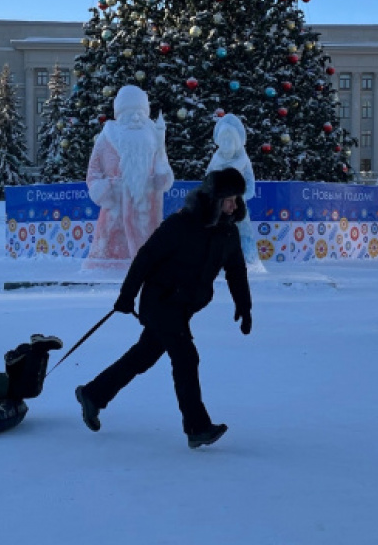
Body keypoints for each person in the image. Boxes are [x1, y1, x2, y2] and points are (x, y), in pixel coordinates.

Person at [75, 168, 253, 449]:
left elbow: (236, 270)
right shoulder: (181, 225)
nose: (234, 206)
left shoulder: (227, 232)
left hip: (184, 306)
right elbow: (146, 257)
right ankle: (197, 427)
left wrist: (244, 305)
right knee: (186, 357)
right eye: (228, 199)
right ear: (212, 199)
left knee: (142, 357)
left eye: (236, 200)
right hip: (161, 301)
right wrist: (126, 296)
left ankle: (93, 394)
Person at [84, 85, 175, 268]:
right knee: (112, 259)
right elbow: (93, 173)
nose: (135, 117)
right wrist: (105, 191)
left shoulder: (153, 137)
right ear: (119, 114)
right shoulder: (106, 138)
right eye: (129, 111)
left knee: (148, 255)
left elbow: (163, 169)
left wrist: (161, 178)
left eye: (139, 112)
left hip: (146, 213)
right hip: (114, 215)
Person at [205, 113, 266, 273]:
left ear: (236, 142)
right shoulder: (216, 159)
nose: (225, 144)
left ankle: (249, 262)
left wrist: (240, 197)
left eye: (229, 140)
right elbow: (207, 180)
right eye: (223, 140)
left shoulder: (244, 161)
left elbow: (250, 184)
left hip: (238, 206)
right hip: (218, 206)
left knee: (244, 233)